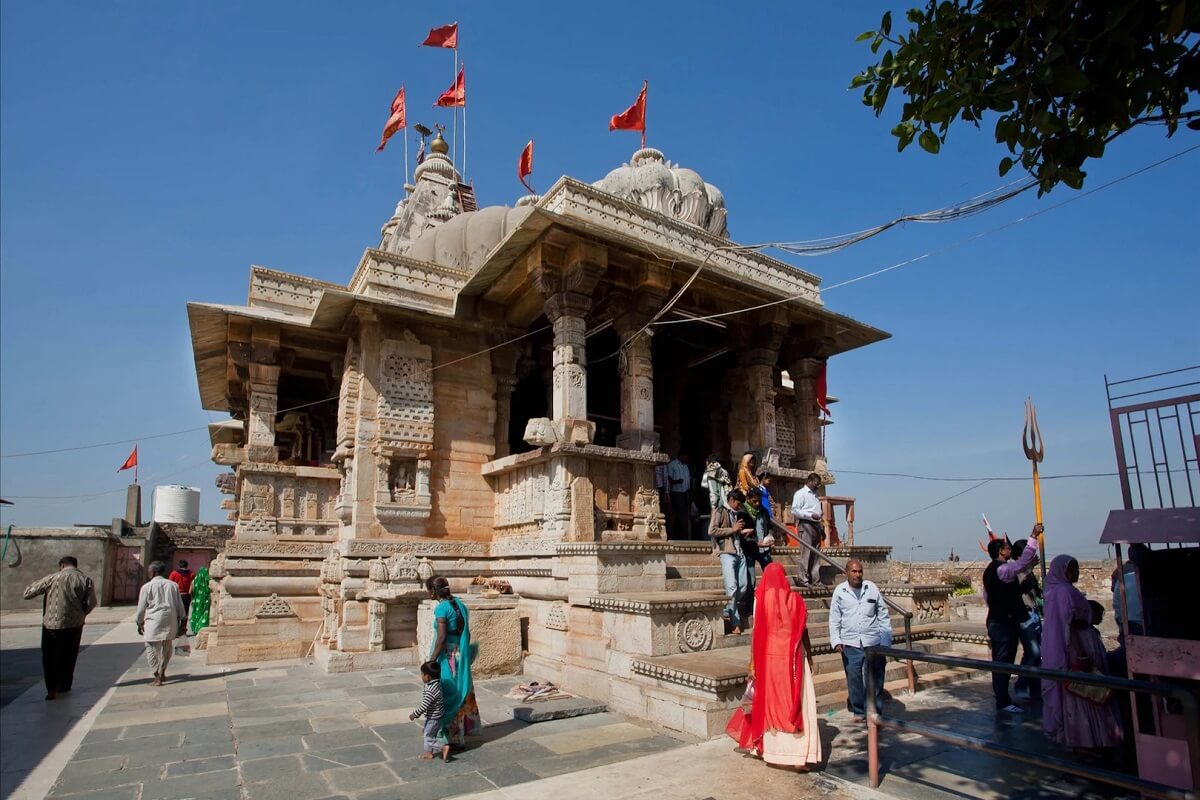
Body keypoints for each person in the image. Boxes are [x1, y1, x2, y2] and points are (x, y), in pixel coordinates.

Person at [726, 563, 822, 768]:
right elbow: (803, 631)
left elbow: (757, 632)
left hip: (768, 659)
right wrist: (811, 657)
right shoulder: (795, 600)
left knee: (770, 703)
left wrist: (753, 663)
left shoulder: (760, 598)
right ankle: (799, 756)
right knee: (797, 703)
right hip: (793, 659)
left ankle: (770, 750)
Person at [1042, 555, 1123, 750]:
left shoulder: (1056, 591)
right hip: (1078, 647)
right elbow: (1067, 624)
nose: (1076, 574)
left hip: (1079, 645)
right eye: (1072, 570)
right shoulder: (1063, 592)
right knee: (1085, 690)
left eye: (1077, 569)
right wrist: (1080, 651)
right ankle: (1089, 738)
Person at [982, 525, 1041, 713]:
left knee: (1005, 660)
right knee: (1003, 662)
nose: (1010, 550)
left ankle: (1007, 696)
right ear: (1001, 552)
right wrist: (1033, 536)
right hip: (1001, 623)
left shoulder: (993, 570)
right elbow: (1021, 563)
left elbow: (987, 597)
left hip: (1001, 620)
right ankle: (1003, 700)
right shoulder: (1001, 570)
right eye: (1007, 548)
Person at [22, 556, 97, 700]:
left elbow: (28, 593)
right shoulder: (86, 580)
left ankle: (51, 689)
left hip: (52, 624)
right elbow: (91, 602)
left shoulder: (53, 578)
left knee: (50, 657)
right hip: (75, 625)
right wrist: (81, 613)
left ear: (62, 565)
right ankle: (64, 685)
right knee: (69, 656)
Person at [829, 559, 891, 721]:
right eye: (854, 571)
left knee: (876, 678)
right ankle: (859, 710)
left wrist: (885, 642)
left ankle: (876, 711)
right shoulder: (840, 592)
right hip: (850, 643)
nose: (857, 575)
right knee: (854, 677)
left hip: (873, 642)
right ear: (846, 573)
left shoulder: (871, 588)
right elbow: (835, 618)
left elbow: (883, 614)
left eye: (860, 571)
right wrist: (836, 640)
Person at [426, 575, 480, 747]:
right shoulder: (459, 605)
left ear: (434, 592)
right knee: (459, 692)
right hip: (459, 655)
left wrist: (432, 660)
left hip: (448, 656)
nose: (429, 595)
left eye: (429, 591)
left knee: (449, 695)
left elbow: (441, 637)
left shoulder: (441, 608)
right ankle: (461, 734)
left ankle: (452, 738)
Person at [135, 561, 187, 686]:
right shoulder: (173, 585)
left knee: (152, 648)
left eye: (149, 570)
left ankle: (156, 676)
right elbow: (180, 606)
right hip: (170, 619)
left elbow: (141, 608)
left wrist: (139, 622)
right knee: (167, 647)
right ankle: (163, 671)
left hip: (153, 620)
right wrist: (182, 620)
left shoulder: (147, 587)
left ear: (153, 572)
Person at [710, 488, 751, 634]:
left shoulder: (735, 513)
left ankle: (727, 608)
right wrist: (733, 530)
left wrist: (741, 532)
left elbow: (734, 531)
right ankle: (735, 623)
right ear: (732, 500)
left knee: (744, 586)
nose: (739, 507)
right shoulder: (720, 511)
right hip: (727, 552)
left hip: (739, 553)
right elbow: (712, 531)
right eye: (738, 503)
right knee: (732, 588)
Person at [1008, 538, 1043, 702]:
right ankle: (1021, 684)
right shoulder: (1015, 569)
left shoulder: (1027, 570)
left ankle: (1035, 688)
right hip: (1024, 615)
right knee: (1032, 652)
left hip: (1034, 613)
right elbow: (1018, 587)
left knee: (1037, 654)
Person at [410, 661, 450, 761]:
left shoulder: (431, 690)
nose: (421, 677)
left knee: (428, 736)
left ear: (427, 677)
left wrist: (415, 714)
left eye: (422, 674)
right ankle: (428, 753)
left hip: (433, 717)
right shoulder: (437, 684)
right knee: (428, 733)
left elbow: (425, 706)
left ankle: (443, 747)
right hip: (437, 715)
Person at [790, 473, 824, 587]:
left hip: (816, 525)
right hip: (806, 524)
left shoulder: (815, 496)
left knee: (816, 553)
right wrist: (809, 516)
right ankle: (803, 579)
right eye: (816, 483)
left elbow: (818, 512)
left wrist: (821, 526)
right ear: (810, 481)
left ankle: (815, 579)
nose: (817, 486)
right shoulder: (801, 494)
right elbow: (794, 510)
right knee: (806, 552)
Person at [665, 452, 692, 538]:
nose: (686, 458)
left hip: (685, 493)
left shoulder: (685, 466)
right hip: (676, 492)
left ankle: (685, 534)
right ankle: (674, 534)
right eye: (685, 456)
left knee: (685, 514)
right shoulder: (672, 464)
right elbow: (668, 479)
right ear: (681, 456)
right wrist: (677, 481)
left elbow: (689, 479)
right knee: (676, 514)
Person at [187, 565, 211, 635]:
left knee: (196, 613)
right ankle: (201, 627)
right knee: (204, 614)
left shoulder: (194, 581)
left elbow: (189, 591)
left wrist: (194, 597)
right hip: (205, 601)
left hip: (196, 602)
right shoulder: (208, 581)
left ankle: (195, 628)